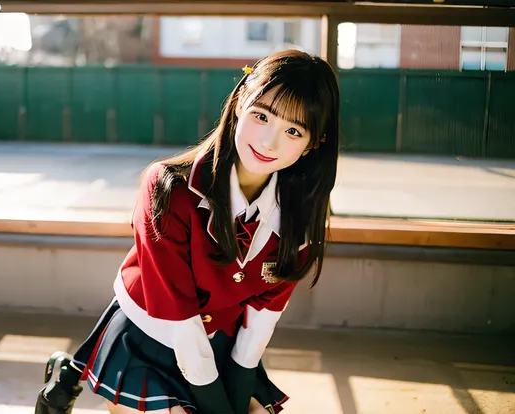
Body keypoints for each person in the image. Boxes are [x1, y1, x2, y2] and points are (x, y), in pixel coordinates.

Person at [35, 49, 340, 414]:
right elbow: (176, 313)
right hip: (150, 334)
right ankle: (67, 378)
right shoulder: (169, 186)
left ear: (314, 143)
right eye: (261, 116)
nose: (268, 142)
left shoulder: (301, 216)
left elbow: (263, 314)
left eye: (293, 130)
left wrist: (237, 386)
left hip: (221, 343)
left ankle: (69, 372)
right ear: (241, 101)